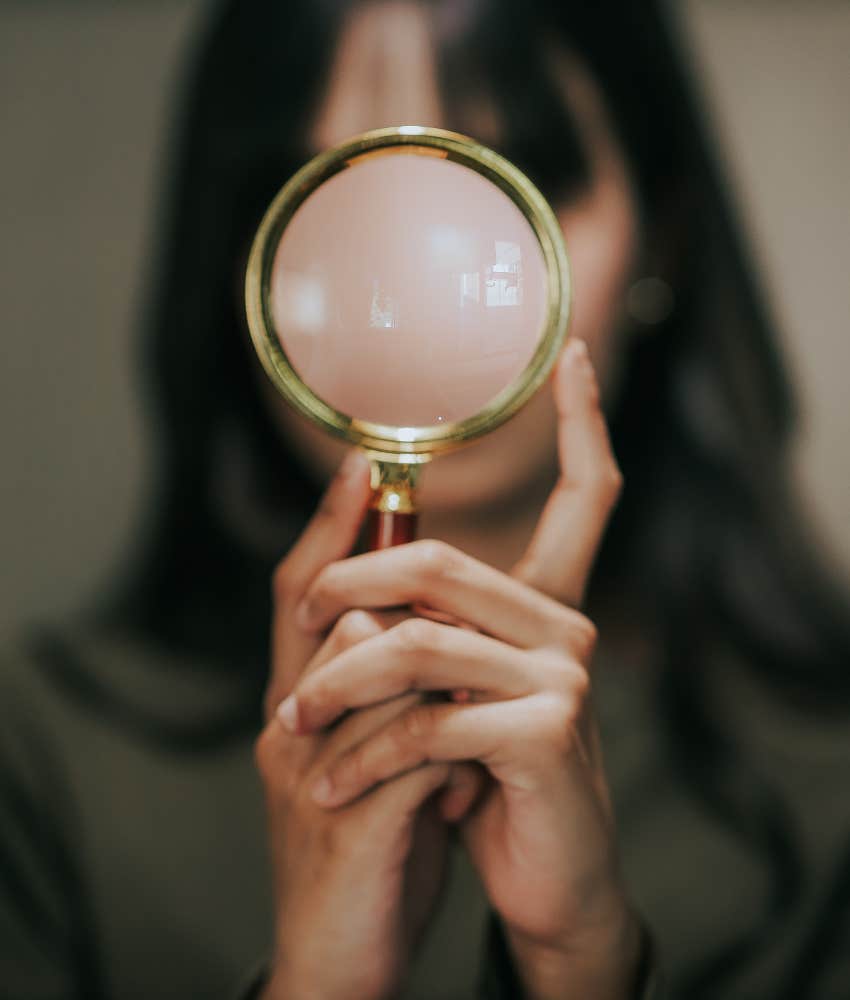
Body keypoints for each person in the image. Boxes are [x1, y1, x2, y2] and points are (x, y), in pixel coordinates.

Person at [2, 1, 849, 997]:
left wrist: (581, 968)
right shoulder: (45, 758)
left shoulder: (827, 777)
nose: (410, 281)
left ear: (660, 231)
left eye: (511, 175)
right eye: (335, 197)